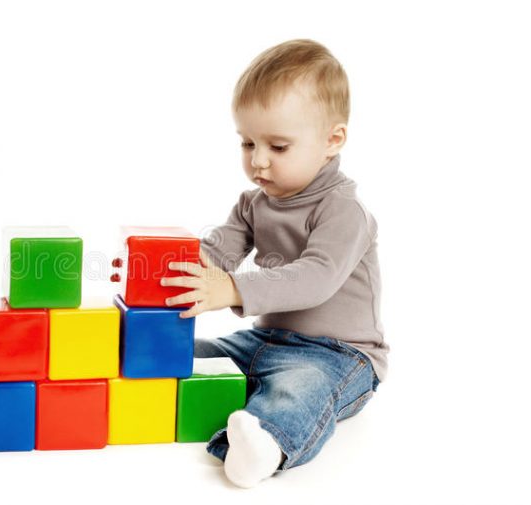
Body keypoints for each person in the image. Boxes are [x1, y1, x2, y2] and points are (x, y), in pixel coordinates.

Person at [159, 38, 389, 488]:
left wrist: (233, 288)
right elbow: (217, 252)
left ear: (332, 140)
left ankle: (266, 444)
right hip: (264, 340)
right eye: (247, 143)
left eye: (278, 147)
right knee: (189, 358)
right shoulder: (253, 203)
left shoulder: (344, 211)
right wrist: (159, 270)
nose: (258, 160)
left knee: (296, 391)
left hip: (339, 356)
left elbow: (316, 277)